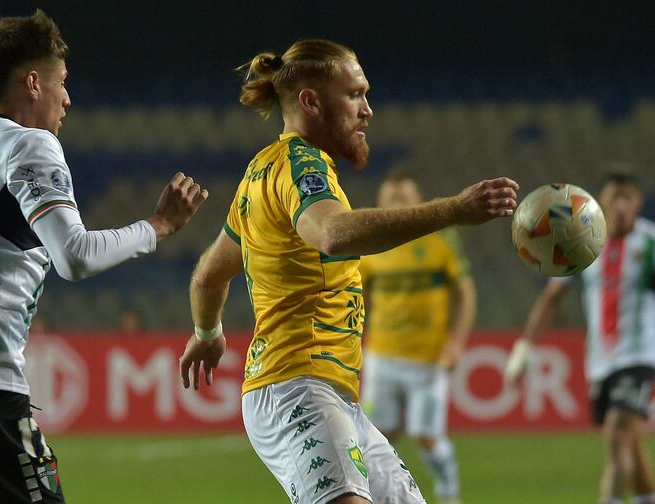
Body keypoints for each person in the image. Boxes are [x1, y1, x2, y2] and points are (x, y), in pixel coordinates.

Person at [178, 39, 517, 504]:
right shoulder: (302, 165)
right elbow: (333, 234)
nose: (367, 110)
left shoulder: (260, 172)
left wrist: (207, 330)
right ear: (311, 102)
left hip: (327, 392)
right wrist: (453, 210)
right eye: (355, 94)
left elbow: (208, 276)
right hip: (297, 384)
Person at [0, 10, 207, 503]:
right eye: (61, 82)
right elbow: (75, 256)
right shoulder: (29, 143)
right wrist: (159, 226)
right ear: (33, 83)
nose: (68, 98)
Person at [506, 172, 655, 504]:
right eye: (614, 197)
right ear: (600, 202)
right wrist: (525, 346)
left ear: (638, 203)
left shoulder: (650, 244)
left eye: (627, 198)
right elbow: (552, 298)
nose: (620, 206)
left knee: (617, 432)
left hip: (640, 356)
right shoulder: (584, 242)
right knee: (629, 442)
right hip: (601, 361)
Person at [359, 170, 476, 504]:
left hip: (428, 359)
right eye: (390, 198)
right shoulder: (370, 245)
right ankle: (379, 495)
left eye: (404, 197)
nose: (396, 203)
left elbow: (465, 292)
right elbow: (354, 298)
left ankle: (448, 493)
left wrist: (457, 342)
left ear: (418, 202)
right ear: (379, 203)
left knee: (426, 435)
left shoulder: (438, 241)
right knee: (379, 436)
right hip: (382, 356)